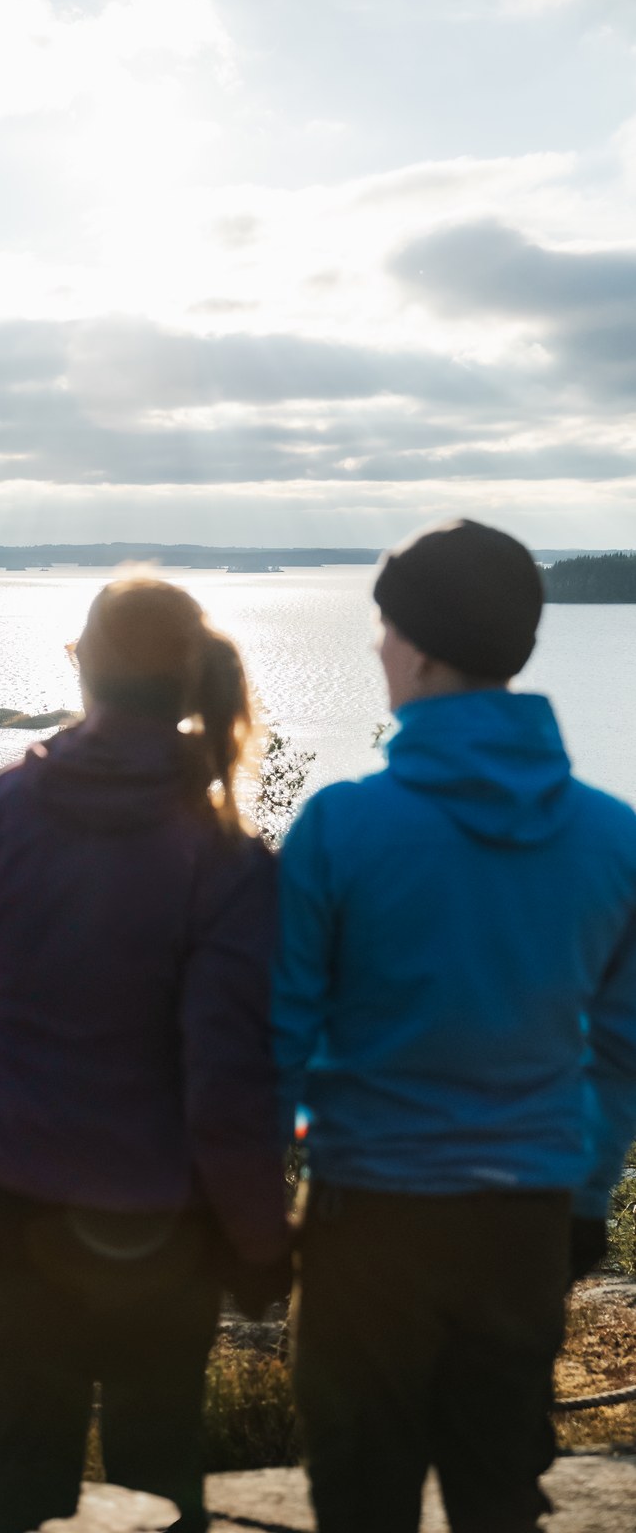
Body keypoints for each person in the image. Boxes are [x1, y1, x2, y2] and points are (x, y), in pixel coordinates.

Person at [272, 519, 636, 1533]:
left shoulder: (341, 828)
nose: (379, 650)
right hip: (526, 1222)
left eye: (385, 630)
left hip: (365, 1228)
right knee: (496, 1498)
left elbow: (276, 1040)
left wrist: (252, 1204)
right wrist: (585, 1191)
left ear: (423, 650)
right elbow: (618, 1051)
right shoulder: (615, 839)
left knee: (360, 1504)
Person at [0, 576, 292, 1533]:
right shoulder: (226, 858)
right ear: (191, 685)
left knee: (32, 1450)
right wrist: (259, 1239)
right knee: (158, 1458)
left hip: (15, 1192)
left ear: (82, 667)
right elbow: (229, 1079)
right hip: (162, 1221)